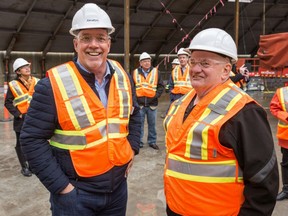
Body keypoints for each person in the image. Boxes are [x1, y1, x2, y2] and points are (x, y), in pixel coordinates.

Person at [20, 3, 141, 216]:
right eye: (86, 38)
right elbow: (31, 139)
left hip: (118, 189)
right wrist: (62, 188)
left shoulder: (122, 76)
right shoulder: (52, 85)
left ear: (109, 44)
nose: (94, 45)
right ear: (76, 44)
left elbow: (134, 114)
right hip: (77, 195)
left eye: (100, 38)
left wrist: (132, 150)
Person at [163, 28, 279, 216]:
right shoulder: (181, 102)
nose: (195, 69)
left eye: (205, 63)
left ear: (226, 70)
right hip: (177, 209)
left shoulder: (244, 112)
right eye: (193, 61)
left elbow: (264, 181)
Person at [4, 58, 39, 177]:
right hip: (21, 120)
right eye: (24, 67)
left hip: (36, 118)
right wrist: (18, 114)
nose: (27, 68)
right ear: (18, 71)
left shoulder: (37, 82)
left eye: (28, 66)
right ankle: (24, 167)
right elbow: (8, 103)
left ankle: (33, 165)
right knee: (21, 144)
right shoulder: (13, 85)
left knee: (35, 142)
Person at [132, 52, 164, 150]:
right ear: (140, 63)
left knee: (152, 124)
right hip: (140, 104)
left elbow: (161, 86)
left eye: (148, 61)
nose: (147, 63)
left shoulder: (156, 72)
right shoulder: (135, 72)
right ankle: (139, 142)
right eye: (144, 61)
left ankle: (152, 141)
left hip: (152, 104)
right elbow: (132, 87)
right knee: (139, 124)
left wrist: (156, 96)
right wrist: (135, 100)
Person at [270, 86, 288, 201]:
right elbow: (274, 108)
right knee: (286, 164)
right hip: (287, 137)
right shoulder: (282, 92)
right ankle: (287, 189)